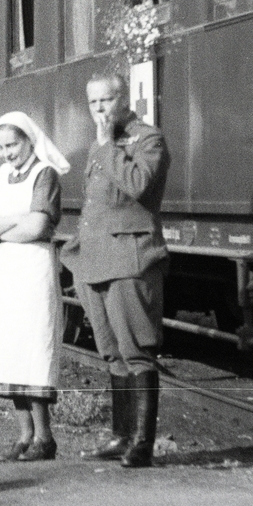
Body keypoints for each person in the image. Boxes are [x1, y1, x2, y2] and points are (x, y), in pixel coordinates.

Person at [62, 72, 171, 469]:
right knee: (112, 354)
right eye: (93, 103)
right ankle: (121, 435)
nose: (100, 110)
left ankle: (142, 443)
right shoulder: (99, 145)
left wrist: (108, 146)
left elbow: (138, 184)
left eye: (106, 101)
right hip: (93, 262)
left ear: (125, 99)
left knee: (137, 350)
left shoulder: (148, 140)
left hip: (129, 257)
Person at [0, 112, 69, 462]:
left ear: (29, 140)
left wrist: (1, 223)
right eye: (0, 147)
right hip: (4, 270)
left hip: (33, 268)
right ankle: (24, 435)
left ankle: (45, 437)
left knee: (32, 349)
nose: (6, 153)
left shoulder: (45, 174)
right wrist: (15, 220)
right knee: (8, 351)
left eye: (12, 144)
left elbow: (39, 226)